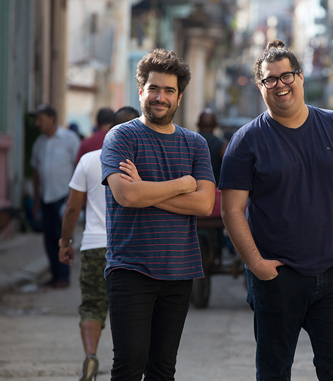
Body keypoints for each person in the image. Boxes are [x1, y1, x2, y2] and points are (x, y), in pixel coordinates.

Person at [219, 40, 333, 380]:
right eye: (270, 79)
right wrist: (256, 265)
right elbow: (232, 210)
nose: (280, 84)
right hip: (278, 279)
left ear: (301, 77)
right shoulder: (246, 140)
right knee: (274, 372)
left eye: (286, 75)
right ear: (261, 86)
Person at [100, 48, 215, 380]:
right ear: (141, 91)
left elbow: (204, 204)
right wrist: (183, 183)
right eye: (154, 88)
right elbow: (126, 195)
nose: (160, 97)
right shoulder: (121, 137)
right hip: (130, 268)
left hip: (180, 271)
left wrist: (145, 192)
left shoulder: (195, 144)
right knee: (128, 366)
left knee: (163, 369)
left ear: (179, 97)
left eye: (169, 91)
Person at [58, 106, 139, 381]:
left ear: (109, 129)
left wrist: (65, 242)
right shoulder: (145, 161)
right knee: (131, 310)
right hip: (132, 248)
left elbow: (72, 208)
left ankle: (91, 355)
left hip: (94, 246)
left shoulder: (89, 160)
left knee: (92, 305)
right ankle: (128, 362)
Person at [30, 104, 80, 289]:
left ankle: (64, 277)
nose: (37, 123)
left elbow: (78, 168)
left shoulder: (69, 139)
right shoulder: (39, 143)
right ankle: (54, 275)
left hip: (64, 198)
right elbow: (36, 173)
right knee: (49, 238)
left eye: (40, 119)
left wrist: (75, 198)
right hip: (46, 198)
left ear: (52, 118)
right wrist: (36, 202)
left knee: (64, 237)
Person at [196, 108, 227, 183]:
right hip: (214, 190)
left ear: (198, 124)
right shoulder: (223, 144)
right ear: (216, 125)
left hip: (193, 190)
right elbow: (227, 168)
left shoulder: (188, 141)